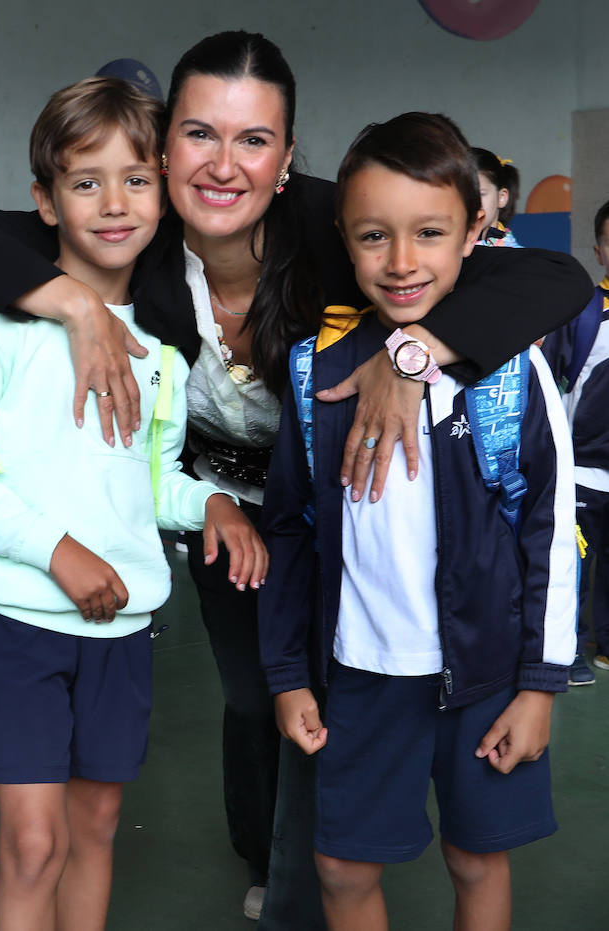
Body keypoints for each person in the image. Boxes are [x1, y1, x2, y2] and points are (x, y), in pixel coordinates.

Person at [0, 31, 591, 925]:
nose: (224, 165)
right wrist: (71, 304)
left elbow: (554, 276)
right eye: (198, 136)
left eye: (254, 140)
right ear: (161, 148)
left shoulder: (333, 228)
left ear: (287, 157)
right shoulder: (133, 236)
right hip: (220, 502)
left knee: (346, 686)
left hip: (343, 499)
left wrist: (413, 351)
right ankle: (263, 853)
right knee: (258, 688)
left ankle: (309, 882)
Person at [0, 75, 266, 931]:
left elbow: (149, 485)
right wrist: (56, 549)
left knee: (97, 825)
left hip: (123, 628)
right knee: (33, 843)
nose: (114, 203)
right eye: (85, 181)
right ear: (46, 200)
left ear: (166, 196)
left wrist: (213, 501)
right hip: (22, 620)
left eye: (137, 180)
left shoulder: (162, 353)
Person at [261, 111, 575, 931]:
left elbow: (547, 529)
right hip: (361, 675)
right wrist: (288, 672)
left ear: (475, 229)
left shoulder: (509, 371)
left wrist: (539, 685)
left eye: (429, 232)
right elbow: (290, 527)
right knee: (341, 865)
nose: (402, 262)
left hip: (486, 674)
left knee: (477, 858)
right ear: (343, 236)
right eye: (373, 236)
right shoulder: (314, 373)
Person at [543, 198, 609, 681]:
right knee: (574, 565)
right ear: (600, 251)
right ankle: (566, 653)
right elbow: (550, 381)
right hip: (583, 468)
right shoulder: (583, 313)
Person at [472, 147, 521, 247]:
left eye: (480, 194)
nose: (470, 203)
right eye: (461, 195)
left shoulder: (516, 256)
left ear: (501, 197)